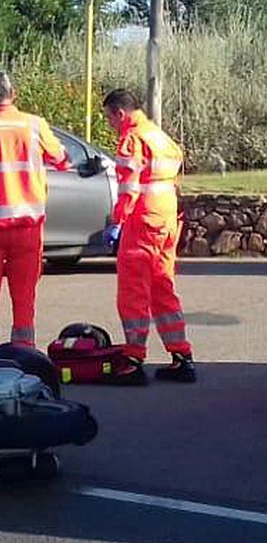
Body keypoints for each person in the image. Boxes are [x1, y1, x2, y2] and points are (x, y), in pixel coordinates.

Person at [0, 68, 71, 354]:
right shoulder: (35, 126)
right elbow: (62, 160)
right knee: (24, 297)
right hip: (26, 227)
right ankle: (25, 351)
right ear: (13, 93)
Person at [101, 89, 195, 384]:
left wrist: (118, 221)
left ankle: (132, 359)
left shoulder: (133, 139)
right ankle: (181, 355)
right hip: (166, 219)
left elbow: (129, 187)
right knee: (162, 287)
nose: (110, 125)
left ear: (120, 113)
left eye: (109, 119)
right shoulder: (160, 136)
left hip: (143, 220)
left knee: (133, 290)